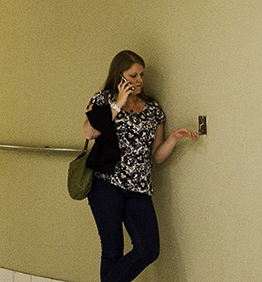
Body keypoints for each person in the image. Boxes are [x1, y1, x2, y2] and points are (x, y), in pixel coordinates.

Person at [82, 50, 199, 282]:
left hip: (139, 189)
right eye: (133, 75)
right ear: (119, 76)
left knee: (148, 249)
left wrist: (173, 139)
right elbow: (89, 132)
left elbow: (156, 156)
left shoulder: (153, 109)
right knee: (112, 250)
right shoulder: (103, 100)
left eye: (141, 75)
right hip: (106, 185)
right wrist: (119, 104)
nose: (139, 80)